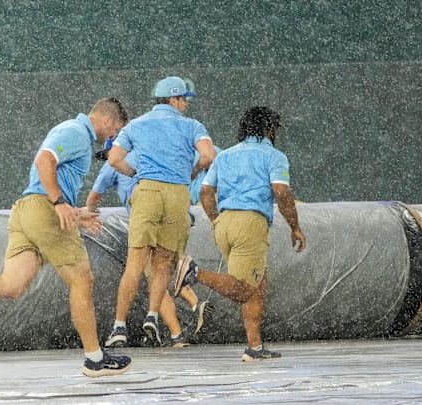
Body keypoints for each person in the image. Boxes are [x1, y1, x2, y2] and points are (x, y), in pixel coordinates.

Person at [0, 97, 133, 378]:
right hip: (43, 209)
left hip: (26, 211)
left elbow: (48, 175)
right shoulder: (76, 132)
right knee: (82, 279)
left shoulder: (73, 132)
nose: (112, 138)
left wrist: (74, 211)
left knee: (12, 285)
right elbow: (44, 160)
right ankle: (94, 359)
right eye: (115, 131)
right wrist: (58, 203)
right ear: (108, 121)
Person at [173, 106, 306, 361]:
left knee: (257, 287)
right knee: (245, 289)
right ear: (270, 129)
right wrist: (295, 227)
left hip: (224, 222)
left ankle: (254, 348)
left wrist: (216, 222)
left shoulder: (225, 156)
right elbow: (281, 192)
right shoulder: (274, 156)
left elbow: (205, 193)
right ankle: (195, 273)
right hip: (250, 223)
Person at [105, 76, 215, 347]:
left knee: (135, 264)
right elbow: (209, 155)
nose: (186, 105)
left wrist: (135, 173)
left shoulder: (136, 125)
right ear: (174, 99)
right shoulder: (192, 126)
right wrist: (192, 172)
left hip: (147, 192)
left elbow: (114, 159)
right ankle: (152, 316)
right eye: (184, 99)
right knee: (164, 264)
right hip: (178, 193)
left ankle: (119, 327)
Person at [86, 142, 214, 348]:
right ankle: (183, 320)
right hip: (178, 215)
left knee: (151, 276)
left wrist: (89, 216)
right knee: (163, 270)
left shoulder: (113, 164)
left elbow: (93, 198)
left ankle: (164, 329)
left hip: (146, 219)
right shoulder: (154, 152)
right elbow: (206, 159)